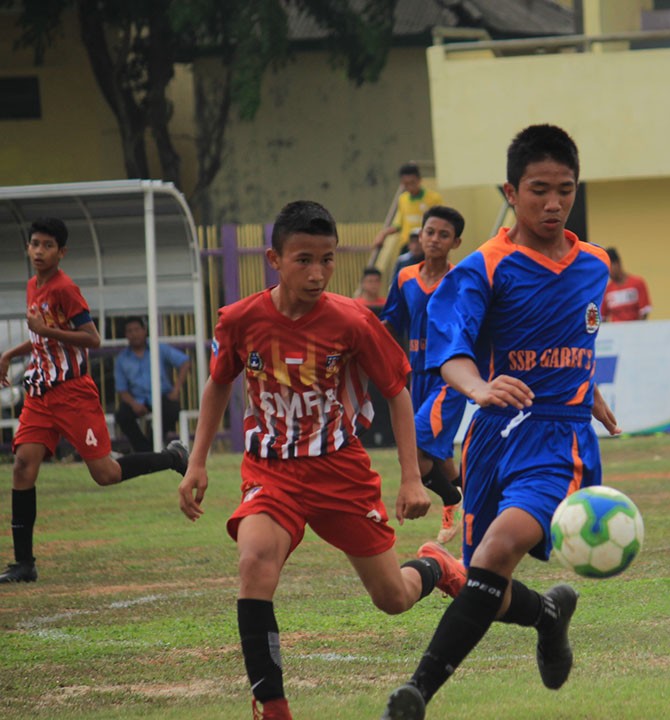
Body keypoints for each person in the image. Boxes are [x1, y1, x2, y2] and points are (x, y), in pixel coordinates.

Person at [176, 201, 465, 720]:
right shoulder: (241, 320)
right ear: (274, 259)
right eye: (303, 260)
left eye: (327, 261)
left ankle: (435, 564)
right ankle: (273, 705)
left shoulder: (351, 320)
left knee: (393, 597)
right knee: (254, 563)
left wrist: (409, 479)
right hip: (270, 472)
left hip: (339, 472)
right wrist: (197, 463)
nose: (317, 273)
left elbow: (397, 392)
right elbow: (220, 381)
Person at [381, 124, 621, 720]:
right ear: (512, 192)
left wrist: (585, 392)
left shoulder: (594, 265)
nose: (554, 203)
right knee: (482, 584)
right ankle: (547, 615)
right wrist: (478, 387)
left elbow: (572, 338)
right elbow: (452, 354)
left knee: (495, 551)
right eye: (539, 189)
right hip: (492, 435)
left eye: (565, 189)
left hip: (557, 437)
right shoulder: (483, 268)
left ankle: (415, 695)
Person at [0, 218, 188, 585]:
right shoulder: (31, 286)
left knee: (106, 474)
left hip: (73, 393)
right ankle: (24, 563)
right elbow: (43, 341)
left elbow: (91, 338)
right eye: (35, 244)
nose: (39, 251)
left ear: (61, 252)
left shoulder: (65, 288)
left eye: (47, 245)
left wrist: (43, 331)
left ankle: (173, 457)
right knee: (23, 466)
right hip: (41, 394)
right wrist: (13, 351)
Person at [381, 205, 468, 545]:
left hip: (450, 378)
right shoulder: (405, 277)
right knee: (439, 456)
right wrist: (362, 339)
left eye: (443, 235)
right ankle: (473, 508)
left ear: (455, 242)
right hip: (417, 377)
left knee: (415, 443)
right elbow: (392, 321)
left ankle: (452, 501)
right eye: (429, 232)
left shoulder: (462, 281)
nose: (434, 239)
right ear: (420, 235)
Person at [113, 316, 191, 452]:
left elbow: (184, 362)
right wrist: (134, 404)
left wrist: (176, 390)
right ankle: (144, 449)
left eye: (137, 329)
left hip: (162, 396)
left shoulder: (158, 349)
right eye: (130, 331)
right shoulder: (122, 359)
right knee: (122, 416)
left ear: (145, 330)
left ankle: (152, 445)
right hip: (137, 399)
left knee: (172, 409)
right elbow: (122, 389)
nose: (134, 334)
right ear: (125, 335)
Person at [373, 163, 444, 256]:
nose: (410, 187)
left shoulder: (433, 198)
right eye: (406, 184)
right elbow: (398, 225)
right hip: (408, 245)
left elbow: (440, 223)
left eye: (412, 183)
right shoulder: (403, 199)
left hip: (427, 246)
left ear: (419, 180)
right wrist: (383, 234)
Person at [601, 247, 651, 322]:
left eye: (609, 267)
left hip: (636, 330)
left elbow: (644, 312)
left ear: (617, 263)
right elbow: (603, 316)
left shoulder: (637, 283)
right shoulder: (607, 290)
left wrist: (637, 330)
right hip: (616, 332)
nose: (608, 272)